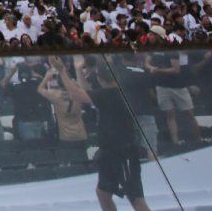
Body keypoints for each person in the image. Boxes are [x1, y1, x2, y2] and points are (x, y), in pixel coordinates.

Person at [58, 58, 154, 211]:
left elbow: (77, 94)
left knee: (135, 198)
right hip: (110, 152)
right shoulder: (115, 93)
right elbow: (86, 93)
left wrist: (62, 71)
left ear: (100, 79)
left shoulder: (109, 95)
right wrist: (78, 71)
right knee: (103, 193)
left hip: (123, 153)